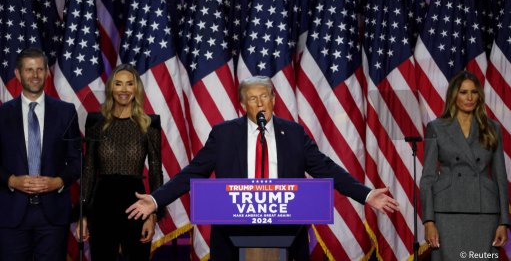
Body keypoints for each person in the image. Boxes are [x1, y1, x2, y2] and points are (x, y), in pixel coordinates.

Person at [126, 75, 399, 261]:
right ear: (243, 105)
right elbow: (193, 172)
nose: (260, 103)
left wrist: (365, 194)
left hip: (285, 233)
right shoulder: (223, 135)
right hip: (234, 234)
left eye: (265, 97)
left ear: (274, 99)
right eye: (253, 99)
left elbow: (325, 168)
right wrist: (155, 199)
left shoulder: (293, 133)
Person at [75, 64, 163, 260]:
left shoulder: (150, 124)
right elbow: (89, 169)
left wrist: (153, 215)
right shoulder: (96, 123)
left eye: (129, 84)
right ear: (111, 88)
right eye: (118, 84)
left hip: (137, 206)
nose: (124, 90)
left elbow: (156, 171)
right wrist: (83, 215)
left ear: (136, 89)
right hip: (102, 205)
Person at [0, 48, 81, 261]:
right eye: (29, 70)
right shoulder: (2, 114)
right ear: (18, 74)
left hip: (53, 215)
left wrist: (59, 181)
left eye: (39, 69)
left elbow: (77, 160)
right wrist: (11, 180)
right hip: (11, 214)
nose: (35, 75)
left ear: (47, 72)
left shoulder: (66, 112)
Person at [420, 71, 509, 260]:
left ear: (479, 96)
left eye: (474, 92)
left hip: (484, 212)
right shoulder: (435, 127)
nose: (469, 98)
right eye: (463, 92)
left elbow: (500, 176)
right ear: (454, 95)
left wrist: (504, 221)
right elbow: (427, 177)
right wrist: (429, 221)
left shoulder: (492, 128)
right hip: (446, 212)